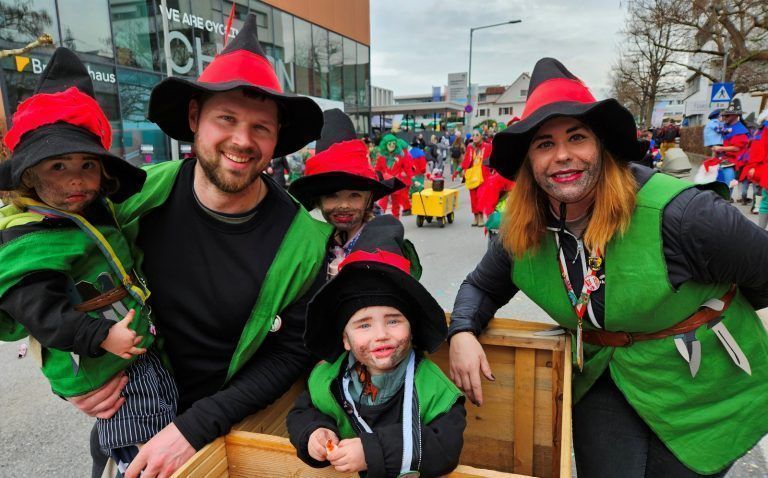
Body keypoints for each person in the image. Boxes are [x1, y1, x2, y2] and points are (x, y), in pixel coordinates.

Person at [448, 57, 768, 478]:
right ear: (529, 161)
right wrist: (463, 332)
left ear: (600, 146)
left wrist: (702, 317)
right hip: (605, 374)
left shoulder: (685, 215)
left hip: (703, 384)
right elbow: (481, 287)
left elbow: (762, 276)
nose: (562, 156)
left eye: (576, 138)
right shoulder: (520, 229)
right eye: (544, 144)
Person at [67, 16, 331, 478]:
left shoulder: (305, 243)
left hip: (230, 424)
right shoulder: (134, 197)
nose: (242, 141)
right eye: (226, 119)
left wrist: (192, 428)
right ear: (194, 118)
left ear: (277, 140)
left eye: (261, 128)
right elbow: (55, 278)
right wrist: (71, 380)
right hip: (132, 417)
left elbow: (290, 354)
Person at [0, 47, 177, 475]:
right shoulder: (31, 241)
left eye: (87, 165)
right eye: (57, 166)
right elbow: (40, 314)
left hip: (129, 350)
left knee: (161, 413)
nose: (76, 178)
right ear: (29, 177)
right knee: (143, 439)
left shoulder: (91, 212)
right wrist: (100, 336)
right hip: (103, 365)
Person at [287, 244, 466, 477]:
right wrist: (314, 432)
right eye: (364, 325)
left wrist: (371, 452)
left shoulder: (434, 389)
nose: (381, 334)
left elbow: (445, 448)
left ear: (412, 330)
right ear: (346, 340)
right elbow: (302, 412)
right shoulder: (328, 379)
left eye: (393, 321)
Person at [288, 109, 407, 278]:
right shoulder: (315, 244)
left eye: (354, 195)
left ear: (369, 199)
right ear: (318, 200)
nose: (344, 205)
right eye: (332, 195)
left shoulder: (383, 244)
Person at [713, 101, 751, 202]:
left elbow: (737, 148)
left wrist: (721, 148)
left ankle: (725, 203)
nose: (725, 117)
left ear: (736, 115)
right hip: (720, 161)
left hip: (731, 163)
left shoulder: (740, 129)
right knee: (717, 185)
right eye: (725, 115)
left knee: (727, 186)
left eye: (728, 115)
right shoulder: (724, 126)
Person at [374, 134, 411, 219]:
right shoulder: (382, 157)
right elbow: (377, 169)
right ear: (385, 145)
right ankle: (380, 218)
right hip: (385, 183)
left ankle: (396, 220)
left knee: (396, 203)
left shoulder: (400, 156)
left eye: (393, 144)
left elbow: (406, 168)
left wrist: (404, 174)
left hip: (396, 182)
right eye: (390, 144)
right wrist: (381, 177)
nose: (392, 146)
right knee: (383, 202)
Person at [461, 130, 492, 227]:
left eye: (477, 135)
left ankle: (481, 217)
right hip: (472, 175)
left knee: (480, 197)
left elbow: (492, 159)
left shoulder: (487, 146)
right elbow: (466, 160)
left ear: (481, 136)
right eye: (473, 135)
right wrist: (458, 170)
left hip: (483, 176)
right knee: (473, 198)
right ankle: (475, 217)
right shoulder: (470, 147)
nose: (474, 137)